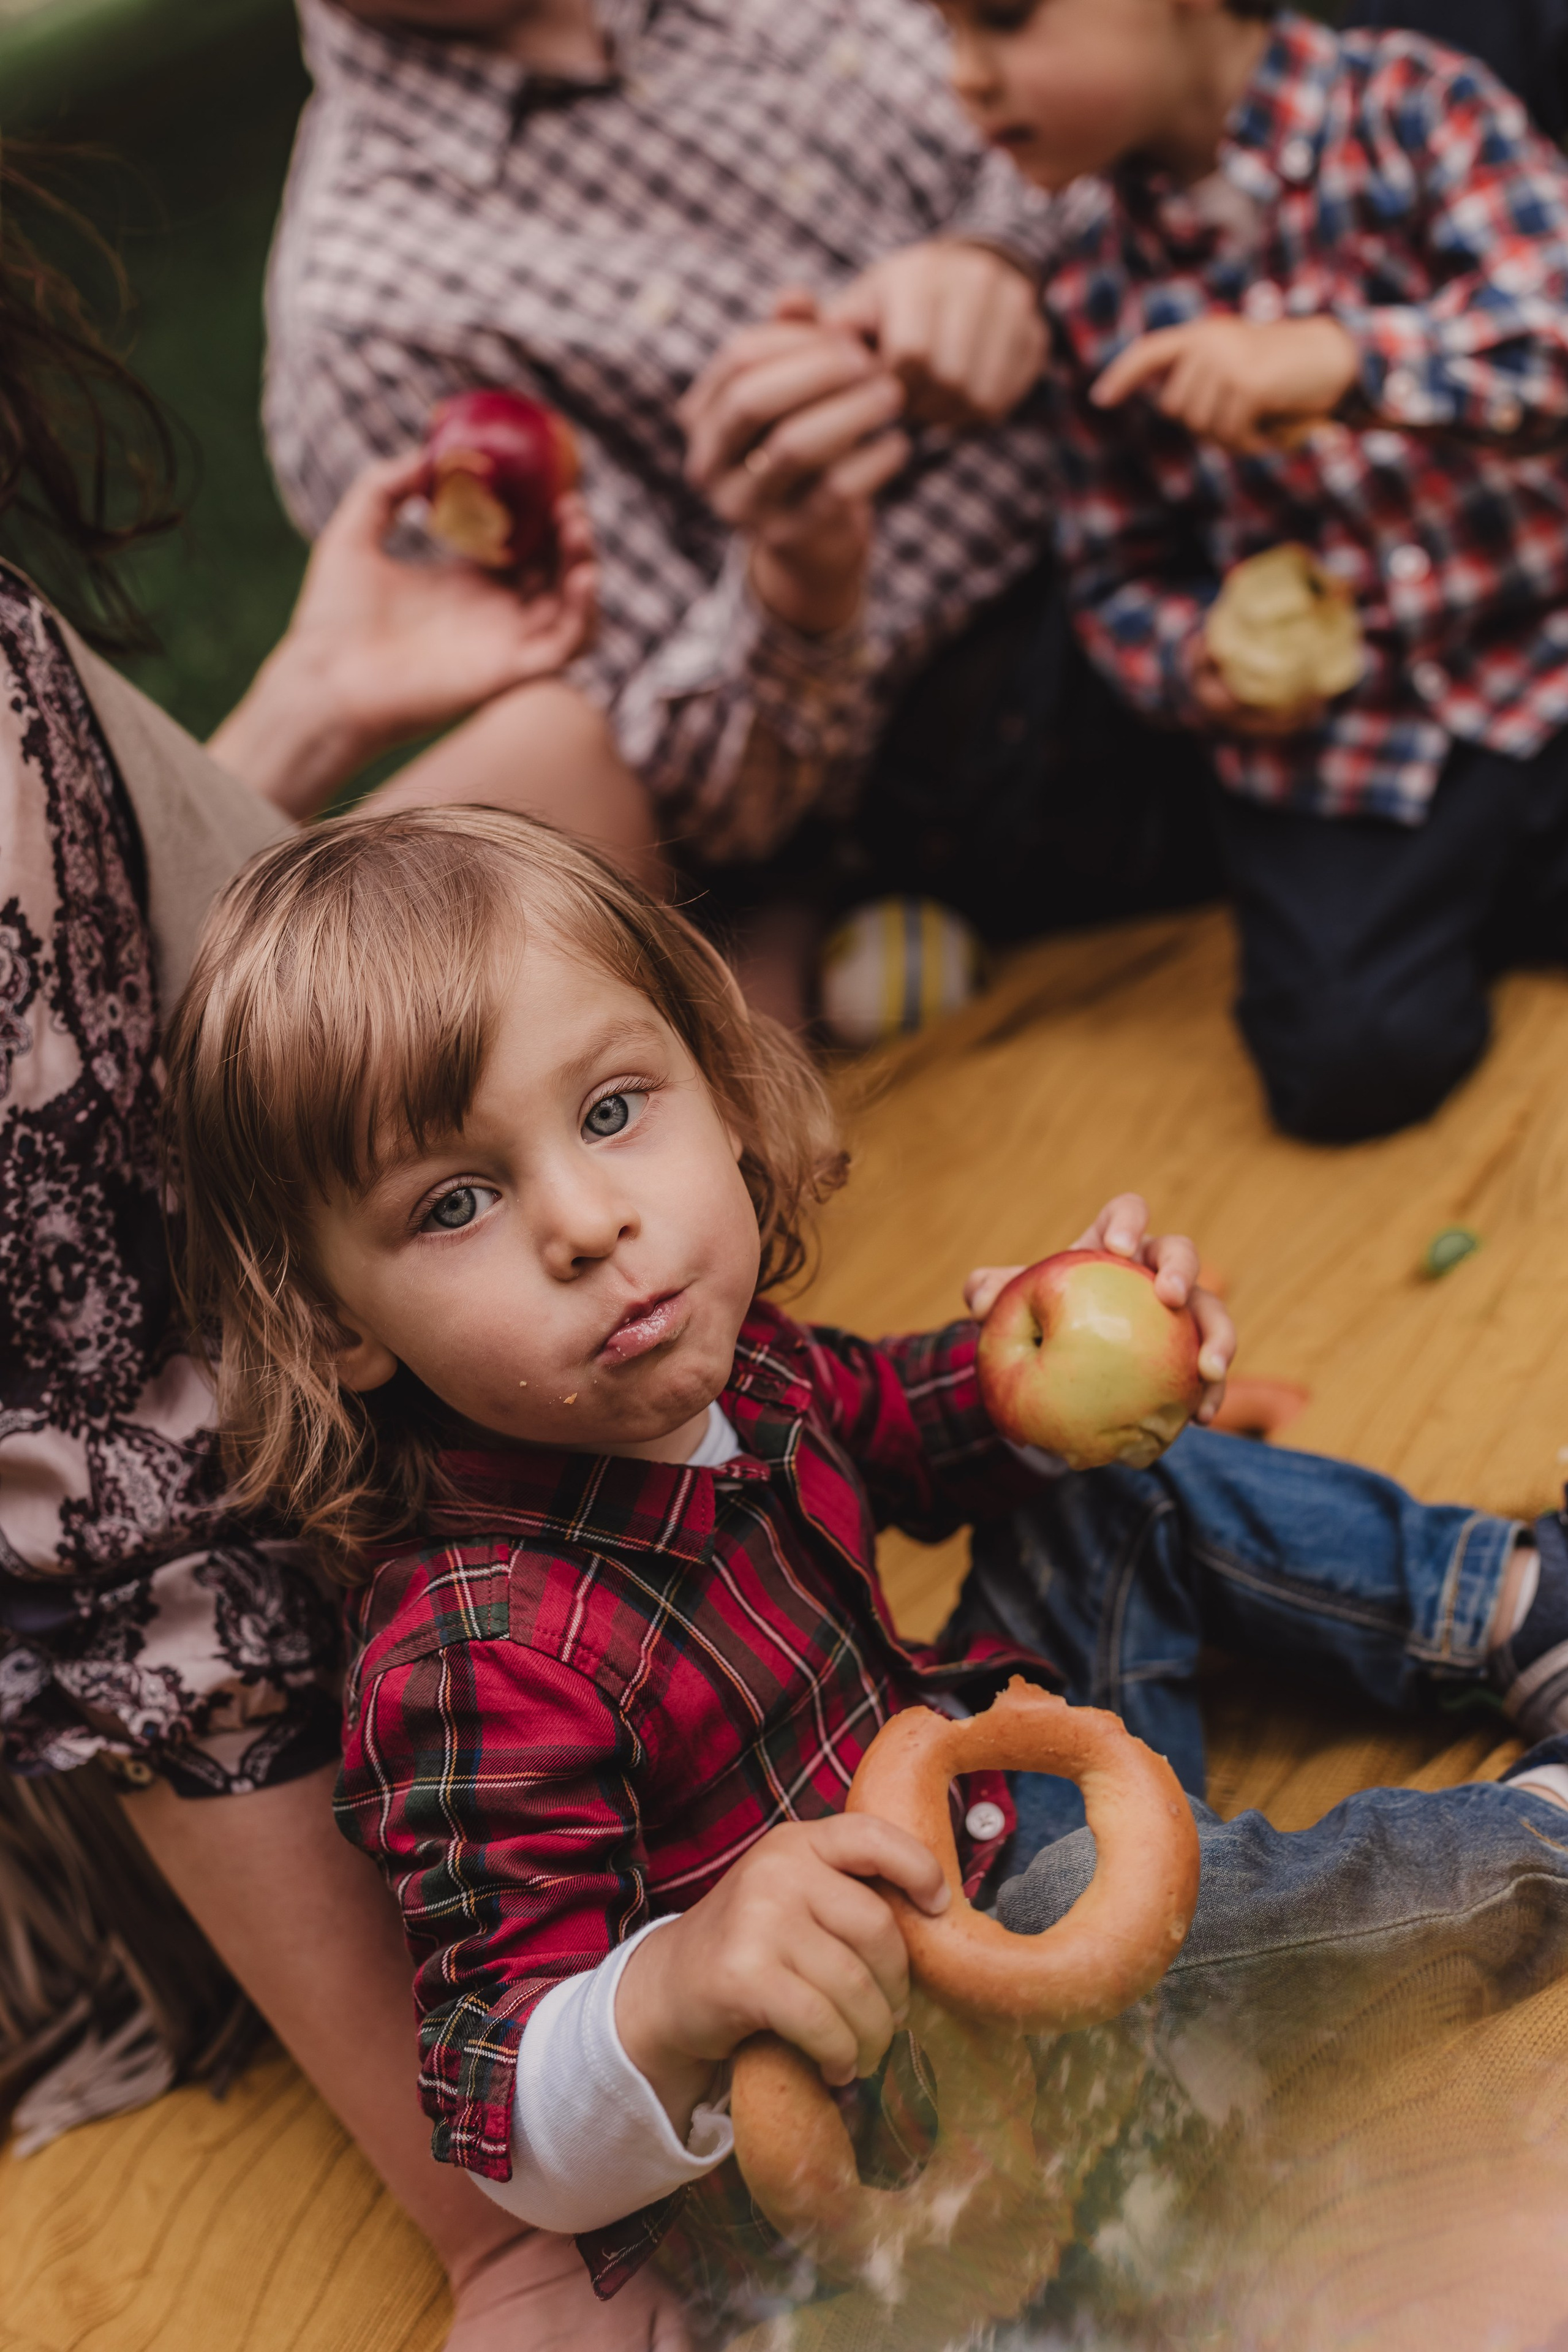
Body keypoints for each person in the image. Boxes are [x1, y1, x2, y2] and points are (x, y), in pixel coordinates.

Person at [159, 801, 1568, 2330]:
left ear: (720, 1085)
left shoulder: (737, 1363)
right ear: (337, 1326)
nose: (586, 1222)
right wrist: (675, 1989)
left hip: (979, 1809)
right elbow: (498, 2105)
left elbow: (906, 1416)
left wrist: (1071, 1355)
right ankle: (1528, 1845)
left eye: (613, 1109)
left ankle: (1515, 1602)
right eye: (454, 1202)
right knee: (1147, 1921)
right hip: (911, 2108)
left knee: (1098, 1493)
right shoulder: (473, 1659)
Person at [0, 142, 687, 2351]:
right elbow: (110, 1535)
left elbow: (59, 1050)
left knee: (560, 776)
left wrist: (289, 719)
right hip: (113, 1731)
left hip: (180, 1373)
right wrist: (503, 2229)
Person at [261, 0, 1097, 999]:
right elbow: (689, 808)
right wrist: (798, 576)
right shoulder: (366, 317)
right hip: (1006, 690)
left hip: (1190, 379)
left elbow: (1143, 70)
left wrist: (1000, 248)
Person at [920, 0, 1568, 1144]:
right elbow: (1116, 573)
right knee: (1342, 1065)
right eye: (950, 35)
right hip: (1353, 750)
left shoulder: (1418, 107)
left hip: (1542, 653)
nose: (966, 77)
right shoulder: (1091, 287)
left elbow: (1550, 335)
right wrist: (1193, 662)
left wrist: (1343, 356)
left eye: (1005, 21)